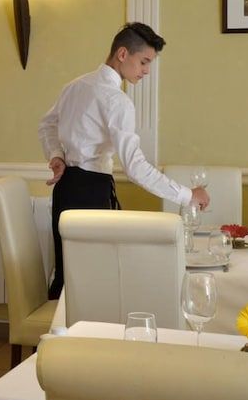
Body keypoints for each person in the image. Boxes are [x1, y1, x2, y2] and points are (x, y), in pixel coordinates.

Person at [38, 22, 209, 299]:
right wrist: (188, 196)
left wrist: (56, 155)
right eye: (143, 62)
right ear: (122, 54)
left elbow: (46, 125)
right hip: (92, 193)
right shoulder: (117, 101)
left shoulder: (75, 86)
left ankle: (56, 328)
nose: (146, 71)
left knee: (68, 273)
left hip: (66, 189)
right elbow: (135, 167)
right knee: (94, 280)